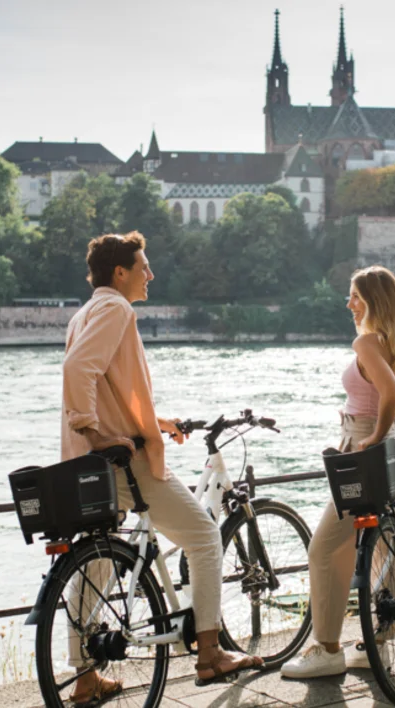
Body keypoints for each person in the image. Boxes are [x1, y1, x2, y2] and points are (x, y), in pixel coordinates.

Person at [61, 231, 262, 703]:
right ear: (120, 272)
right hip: (123, 463)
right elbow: (77, 370)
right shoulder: (117, 309)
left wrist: (157, 422)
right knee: (205, 537)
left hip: (90, 466)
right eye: (143, 266)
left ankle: (85, 679)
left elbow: (109, 385)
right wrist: (94, 430)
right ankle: (211, 656)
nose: (151, 274)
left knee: (98, 565)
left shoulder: (85, 311)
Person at [281, 265, 395, 679]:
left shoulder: (366, 342)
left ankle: (327, 650)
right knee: (386, 544)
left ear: (373, 302)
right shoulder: (394, 343)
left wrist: (375, 433)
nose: (348, 304)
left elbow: (393, 394)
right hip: (389, 454)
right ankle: (376, 641)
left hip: (364, 449)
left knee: (325, 548)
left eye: (355, 297)